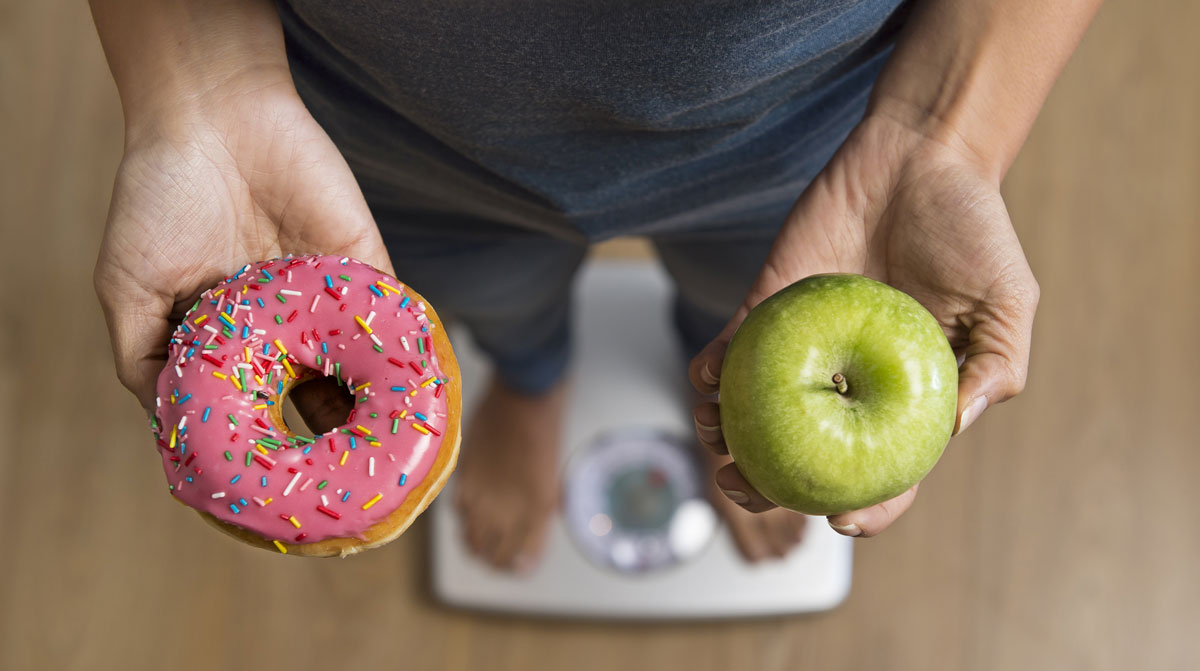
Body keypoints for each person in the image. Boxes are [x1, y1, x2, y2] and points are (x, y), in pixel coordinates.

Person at [90, 0, 1099, 571]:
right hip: (365, 139)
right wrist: (196, 88)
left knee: (750, 311)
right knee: (481, 294)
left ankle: (735, 404)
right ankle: (528, 379)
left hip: (824, 143)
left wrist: (946, 132)